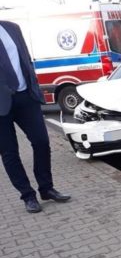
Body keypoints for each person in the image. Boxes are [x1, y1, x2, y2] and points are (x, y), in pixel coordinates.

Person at [0, 20, 70, 213]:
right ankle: (28, 195)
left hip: (26, 97)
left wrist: (34, 84)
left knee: (41, 141)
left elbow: (25, 59)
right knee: (9, 153)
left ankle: (46, 188)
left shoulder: (12, 28)